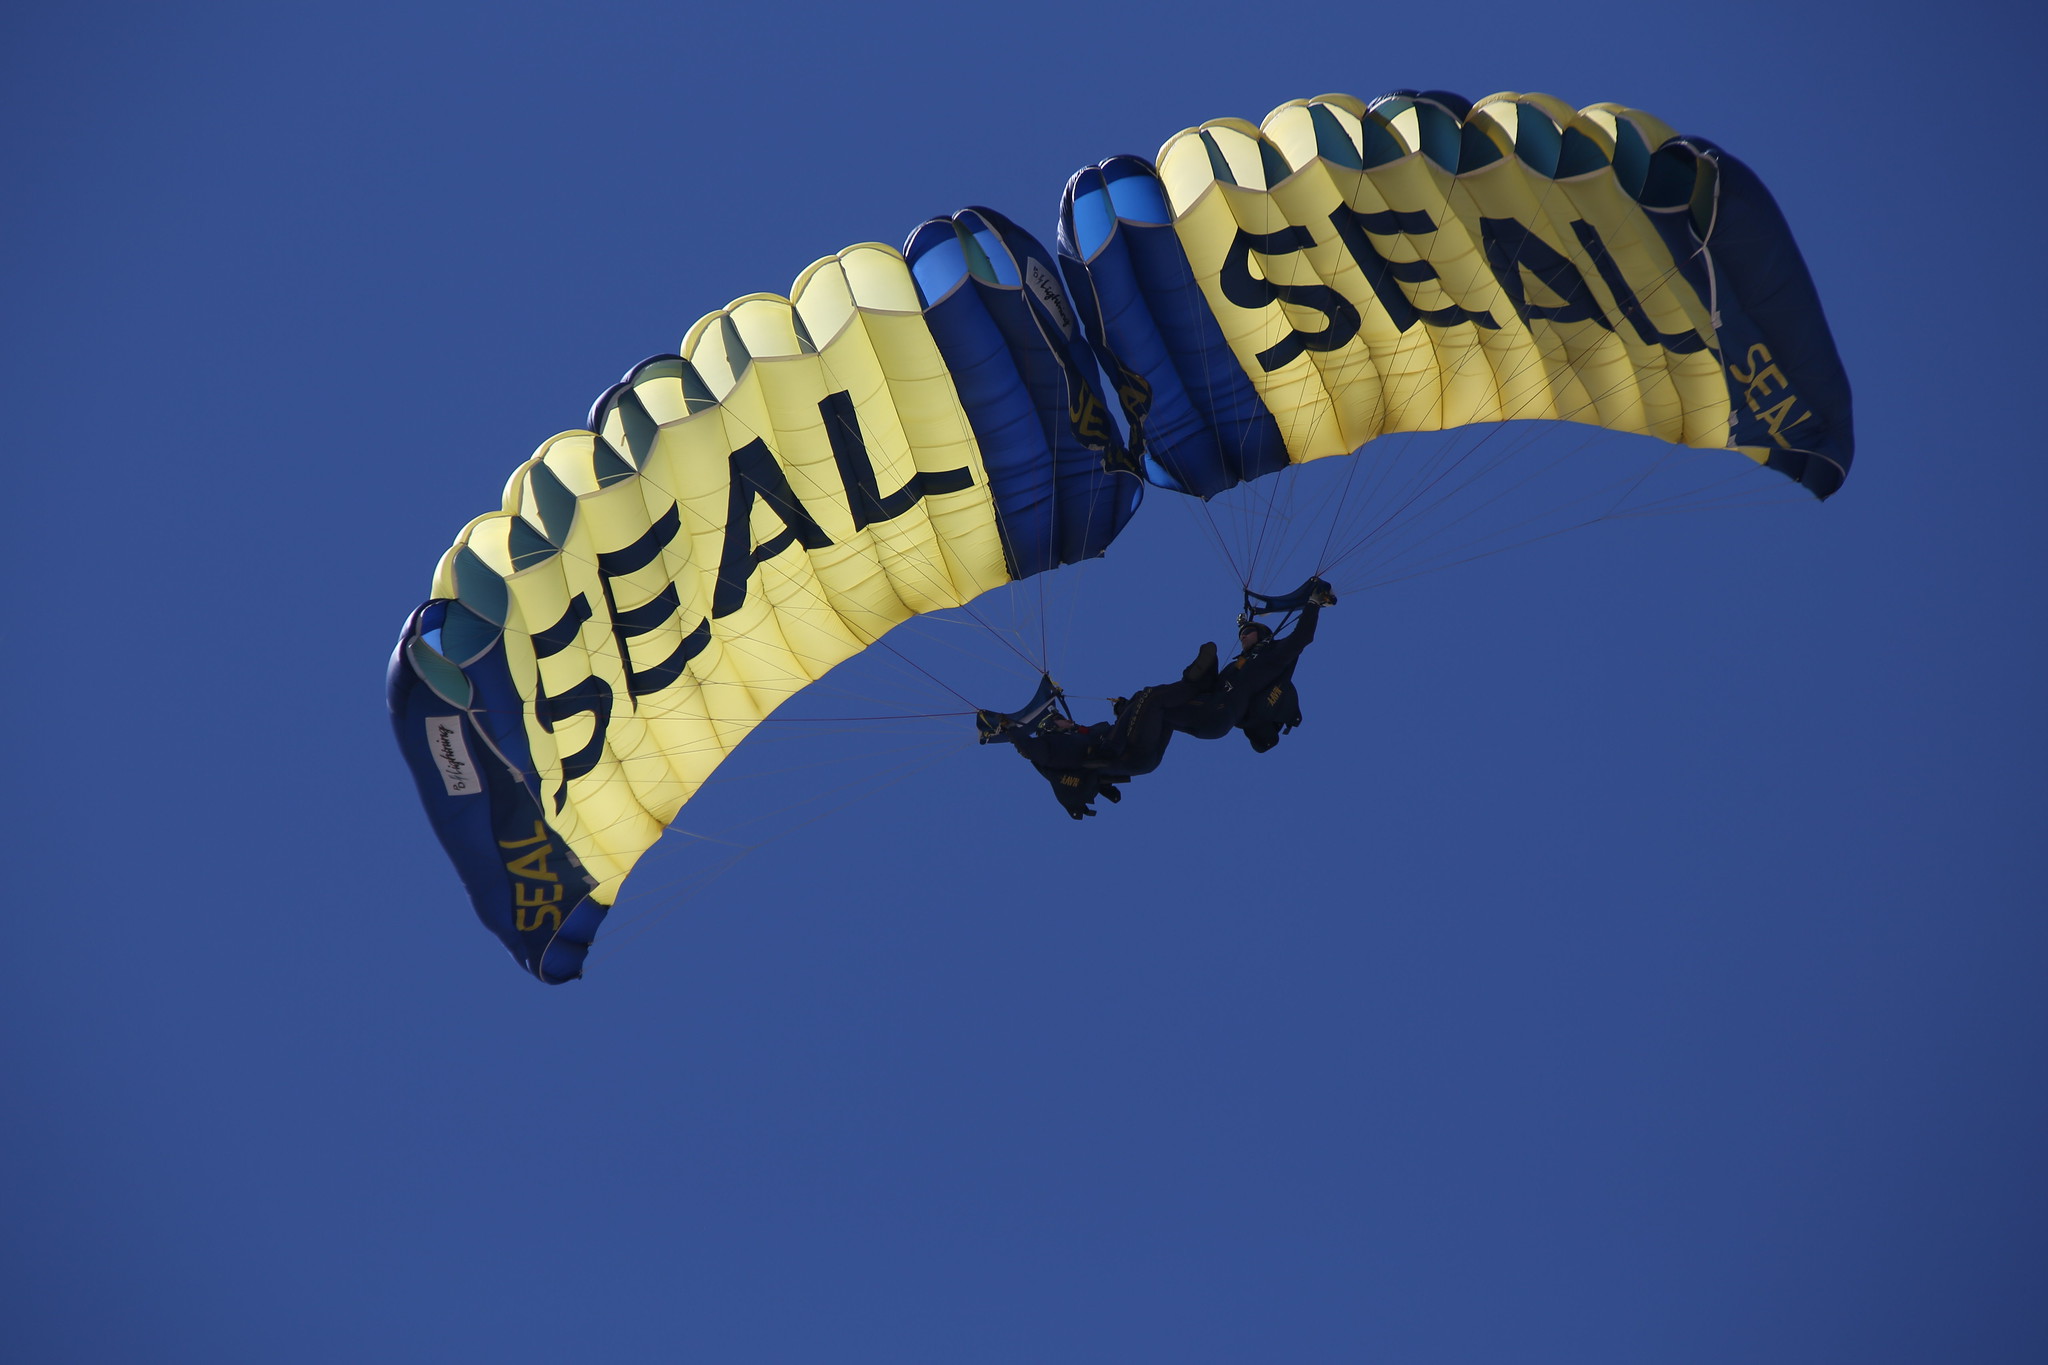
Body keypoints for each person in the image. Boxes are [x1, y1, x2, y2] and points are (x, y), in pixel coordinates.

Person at [983, 709, 1126, 819]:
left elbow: (1109, 731)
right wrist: (1011, 727)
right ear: (1050, 725)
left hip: (1096, 764)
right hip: (1082, 774)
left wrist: (1123, 710)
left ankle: (1105, 784)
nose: (1068, 720)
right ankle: (1104, 785)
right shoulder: (1047, 745)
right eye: (1060, 719)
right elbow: (1026, 746)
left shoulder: (1081, 734)